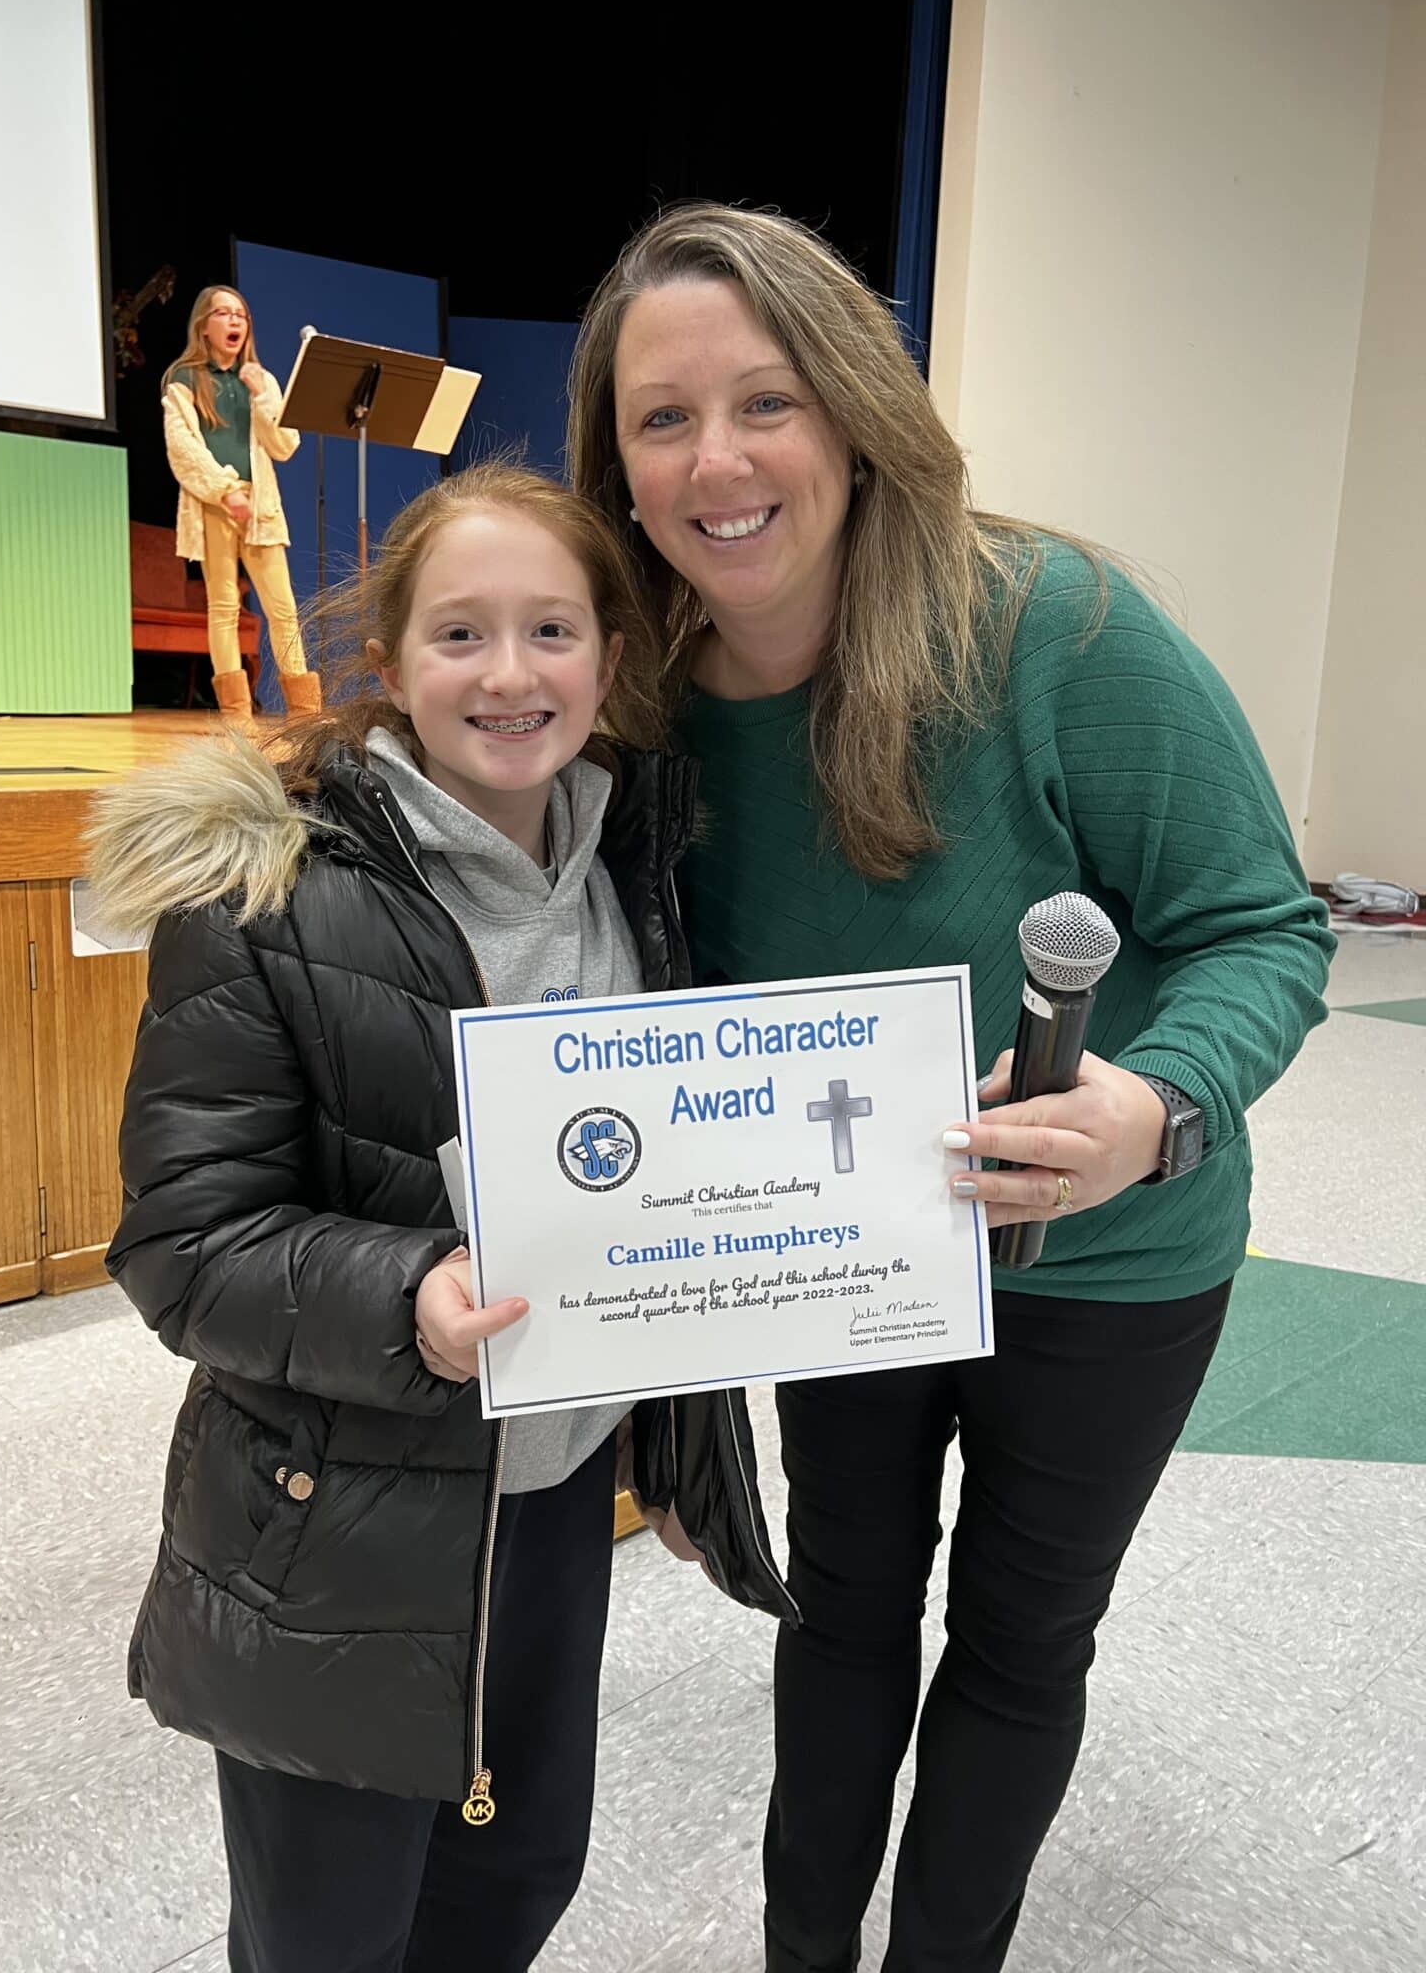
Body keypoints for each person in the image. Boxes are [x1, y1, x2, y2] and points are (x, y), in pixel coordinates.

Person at [567, 204, 1335, 1973]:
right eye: (661, 418)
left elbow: (1261, 926)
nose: (718, 460)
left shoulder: (1051, 624)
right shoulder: (640, 701)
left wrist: (1151, 1107)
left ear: (849, 412)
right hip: (859, 1251)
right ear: (616, 462)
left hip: (1115, 1258)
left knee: (1013, 1637)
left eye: (764, 401)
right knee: (842, 1616)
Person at [87, 462, 787, 1973]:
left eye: (553, 629)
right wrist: (407, 1298)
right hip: (335, 1520)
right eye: (461, 634)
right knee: (330, 1934)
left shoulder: (642, 878)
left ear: (612, 654)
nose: (512, 673)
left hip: (548, 1510)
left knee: (514, 1880)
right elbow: (182, 1243)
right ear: (391, 661)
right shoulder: (267, 890)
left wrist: (685, 1431)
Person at [161, 284, 320, 723]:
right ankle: (236, 711)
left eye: (241, 315)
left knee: (282, 606)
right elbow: (183, 448)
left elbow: (286, 444)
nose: (234, 322)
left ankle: (305, 710)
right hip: (214, 503)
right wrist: (224, 490)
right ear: (204, 325)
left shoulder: (260, 378)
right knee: (224, 605)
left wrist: (263, 397)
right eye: (224, 314)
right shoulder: (184, 378)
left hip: (260, 502)